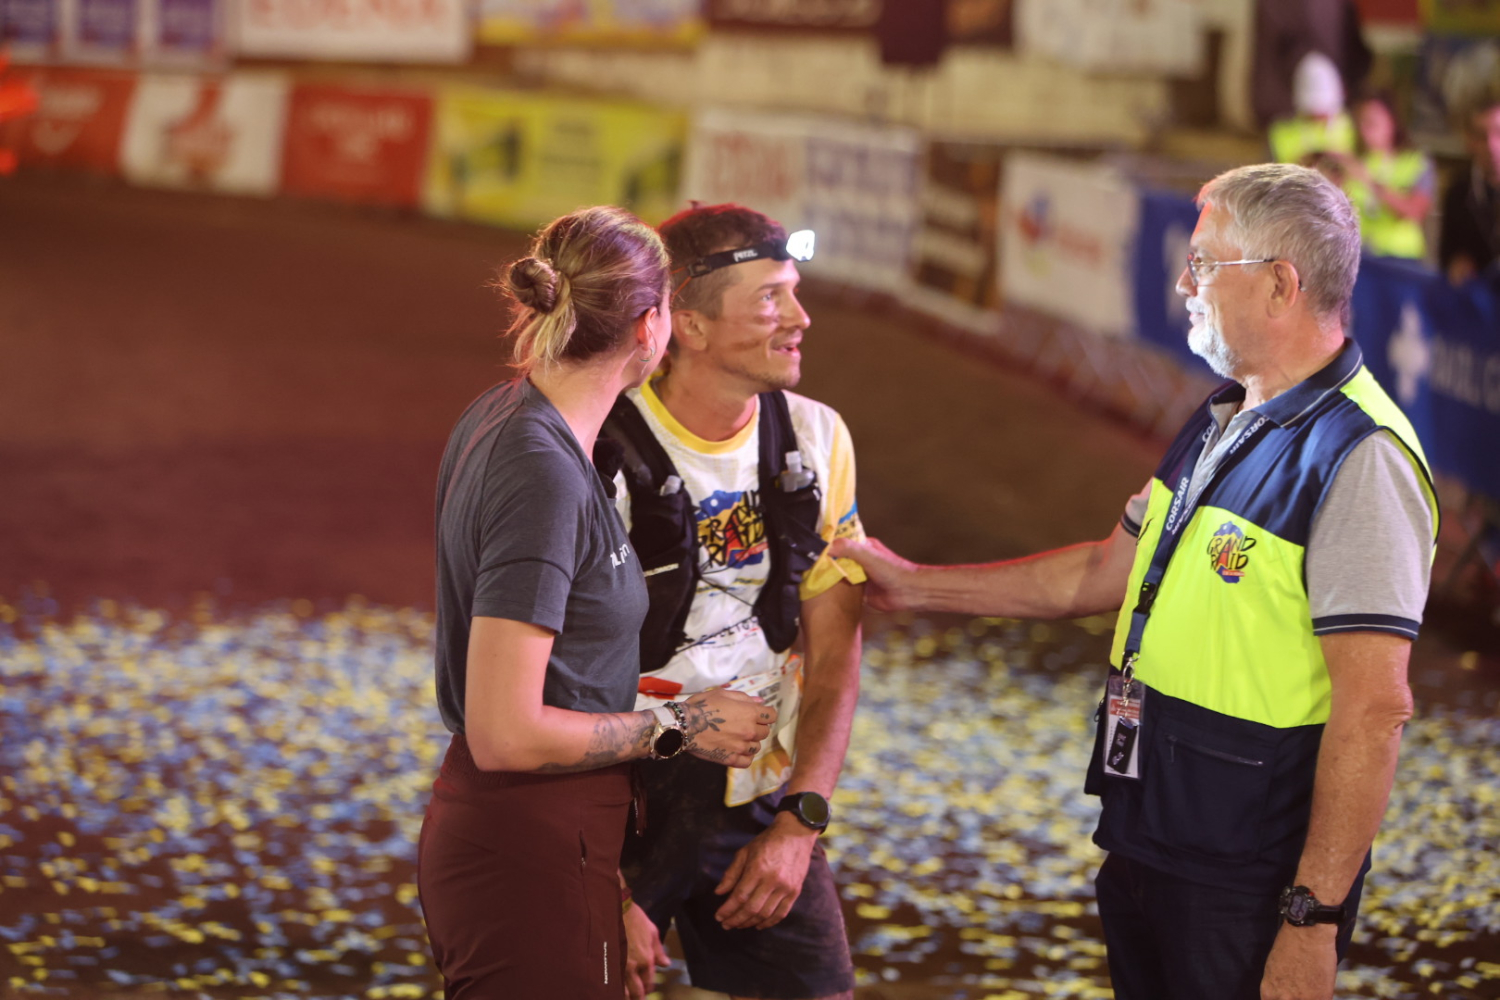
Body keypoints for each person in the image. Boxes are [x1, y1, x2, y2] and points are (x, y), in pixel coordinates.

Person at [835, 164, 1438, 1000]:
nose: (1184, 285)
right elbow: (1103, 572)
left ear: (1280, 284)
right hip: (1152, 837)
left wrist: (1313, 920)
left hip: (1244, 879)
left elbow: (1374, 710)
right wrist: (916, 586)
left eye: (1204, 264)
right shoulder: (1225, 415)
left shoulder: (1361, 458)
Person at [417, 205, 776, 1000]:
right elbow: (506, 732)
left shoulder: (510, 417)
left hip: (539, 838)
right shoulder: (541, 470)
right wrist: (684, 726)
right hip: (529, 842)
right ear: (649, 327)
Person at [599, 203, 866, 1000]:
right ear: (689, 324)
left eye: (795, 293)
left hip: (757, 804)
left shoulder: (817, 439)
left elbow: (835, 652)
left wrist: (799, 822)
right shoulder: (600, 448)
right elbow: (548, 673)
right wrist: (602, 881)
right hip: (612, 804)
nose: (801, 319)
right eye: (770, 299)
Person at [1325, 91, 1434, 260]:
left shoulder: (1416, 163)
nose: (1364, 131)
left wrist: (1369, 182)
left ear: (1392, 122)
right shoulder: (1353, 162)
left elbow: (1414, 211)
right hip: (1358, 255)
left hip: (1401, 257)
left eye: (1371, 123)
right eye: (1360, 123)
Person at [1438, 88, 1500, 284]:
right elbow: (1446, 257)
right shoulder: (1459, 192)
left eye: (1498, 133)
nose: (1491, 146)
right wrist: (1456, 264)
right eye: (1482, 136)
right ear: (1470, 141)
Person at [1269, 52, 1357, 168]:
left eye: (1324, 110)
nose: (1319, 116)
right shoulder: (1282, 132)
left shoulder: (1353, 126)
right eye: (1313, 111)